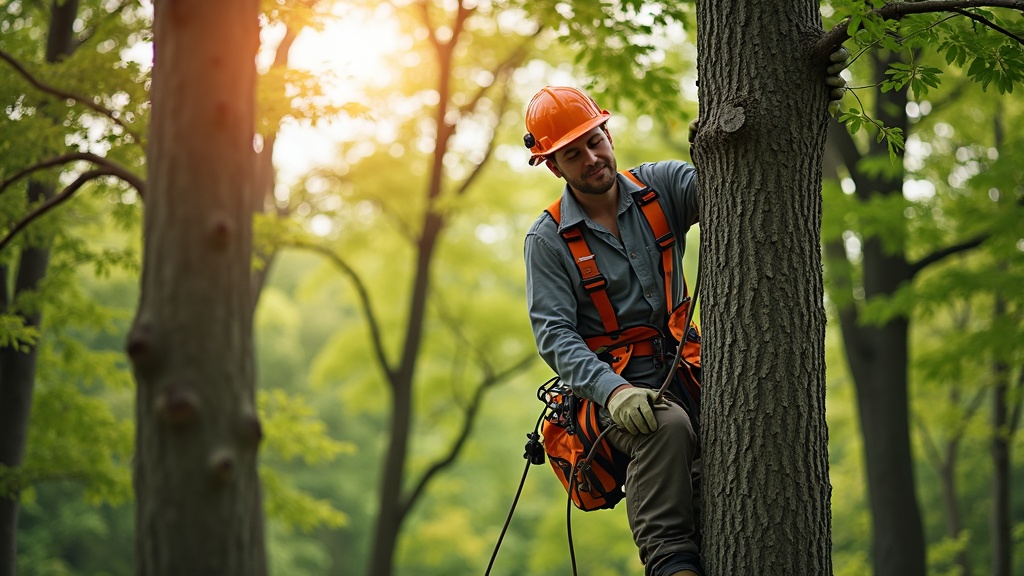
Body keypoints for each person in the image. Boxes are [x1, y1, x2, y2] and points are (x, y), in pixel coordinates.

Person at [522, 59, 847, 576]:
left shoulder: (662, 186)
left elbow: (747, 187)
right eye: (572, 153)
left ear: (607, 132)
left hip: (691, 369)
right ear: (554, 165)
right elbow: (555, 335)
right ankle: (671, 564)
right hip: (616, 391)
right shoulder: (549, 240)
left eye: (594, 141)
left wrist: (802, 104)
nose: (591, 158)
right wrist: (614, 392)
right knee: (663, 426)